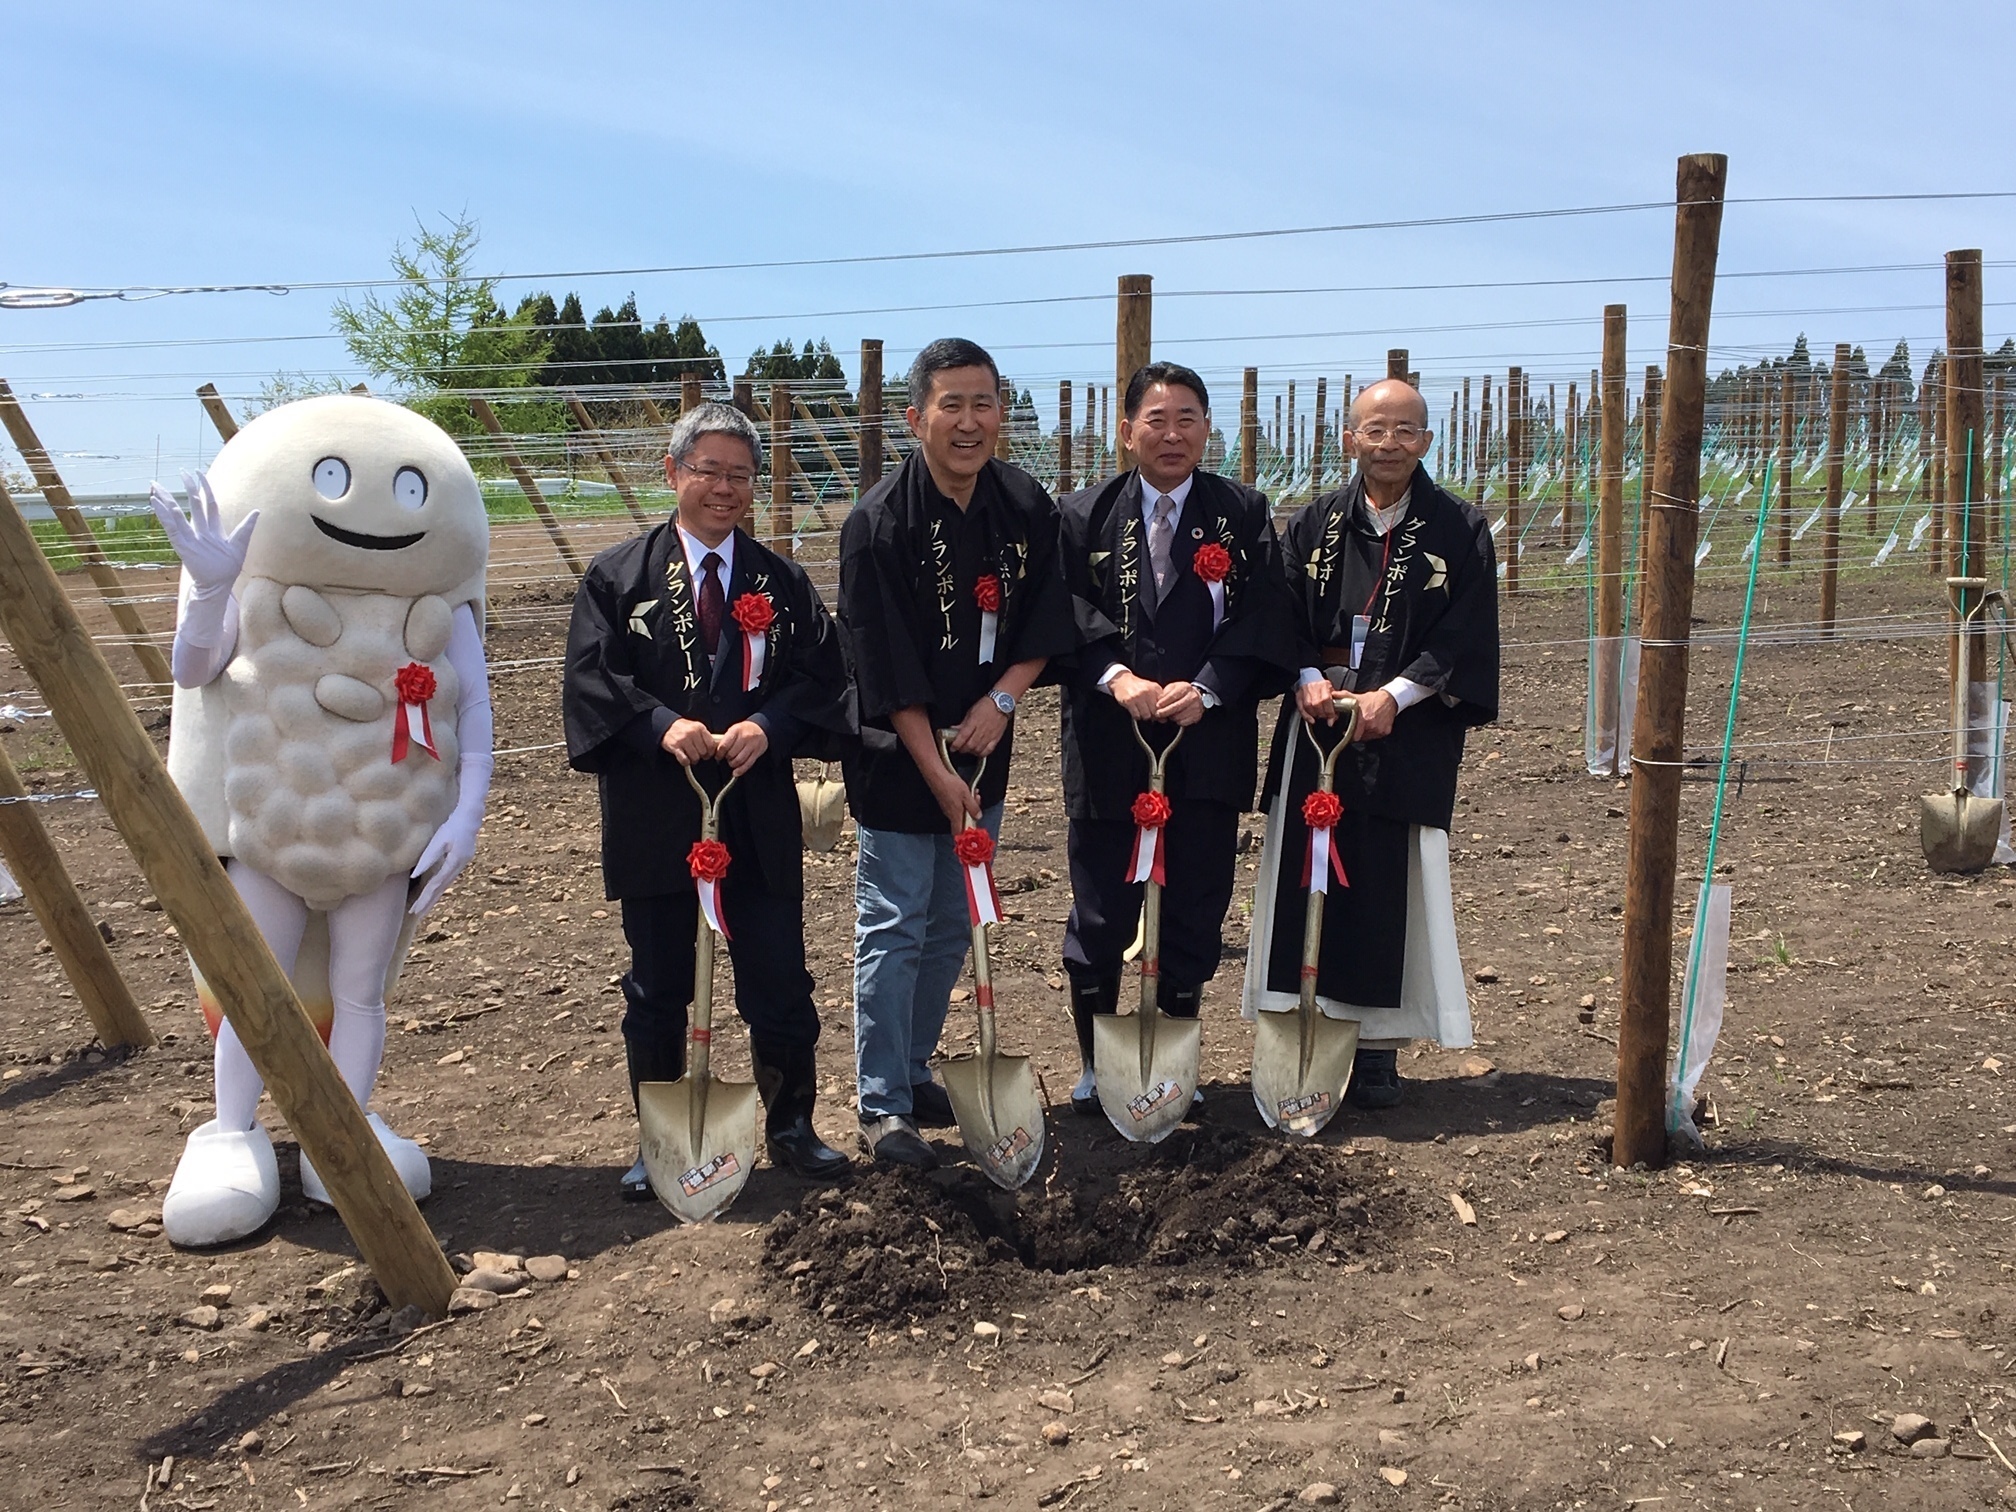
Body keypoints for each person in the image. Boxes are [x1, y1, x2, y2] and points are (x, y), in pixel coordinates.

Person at [151, 395, 492, 1247]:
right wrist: (210, 587)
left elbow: (479, 713)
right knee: (249, 982)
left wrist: (469, 816)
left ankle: (341, 1130)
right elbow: (195, 670)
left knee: (359, 992)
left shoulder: (440, 611)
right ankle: (230, 1130)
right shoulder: (263, 594)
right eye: (329, 481)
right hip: (273, 830)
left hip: (386, 839)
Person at [564, 401, 855, 1198]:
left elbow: (825, 682)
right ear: (673, 473)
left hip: (756, 813)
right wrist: (660, 725)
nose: (724, 489)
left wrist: (770, 724)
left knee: (780, 976)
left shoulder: (781, 582)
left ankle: (792, 1124)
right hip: (659, 810)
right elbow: (595, 680)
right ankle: (659, 1136)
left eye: (740, 475)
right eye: (708, 471)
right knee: (658, 983)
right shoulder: (616, 578)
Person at [837, 338, 1076, 1168]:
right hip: (898, 755)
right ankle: (882, 1105)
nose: (969, 423)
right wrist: (935, 769)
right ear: (915, 418)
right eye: (952, 406)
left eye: (984, 404)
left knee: (951, 924)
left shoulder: (1023, 503)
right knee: (895, 922)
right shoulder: (877, 524)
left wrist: (1001, 703)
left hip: (984, 746)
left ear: (1000, 413)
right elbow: (883, 660)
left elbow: (1049, 620)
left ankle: (912, 1066)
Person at [1239, 378, 1499, 1108]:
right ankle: (1299, 1021)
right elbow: (1277, 612)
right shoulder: (1313, 523)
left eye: (1405, 431)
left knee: (1394, 884)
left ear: (1428, 440)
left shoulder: (1459, 530)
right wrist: (1305, 677)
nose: (1389, 445)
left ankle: (1380, 1045)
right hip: (1315, 726)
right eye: (1374, 430)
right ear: (1350, 437)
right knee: (1301, 876)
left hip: (1405, 735)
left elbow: (1465, 633)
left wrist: (1396, 695)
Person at [1056, 362, 1295, 1114]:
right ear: (1126, 430)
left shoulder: (1243, 514)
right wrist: (1115, 678)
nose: (1171, 434)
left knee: (1195, 907)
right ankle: (1099, 1064)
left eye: (1187, 418)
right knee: (1101, 913)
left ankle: (1172, 1059)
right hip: (1108, 745)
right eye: (1155, 420)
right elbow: (1059, 616)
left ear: (1207, 428)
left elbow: (1267, 617)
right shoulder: (1082, 517)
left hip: (1207, 746)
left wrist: (1212, 686)